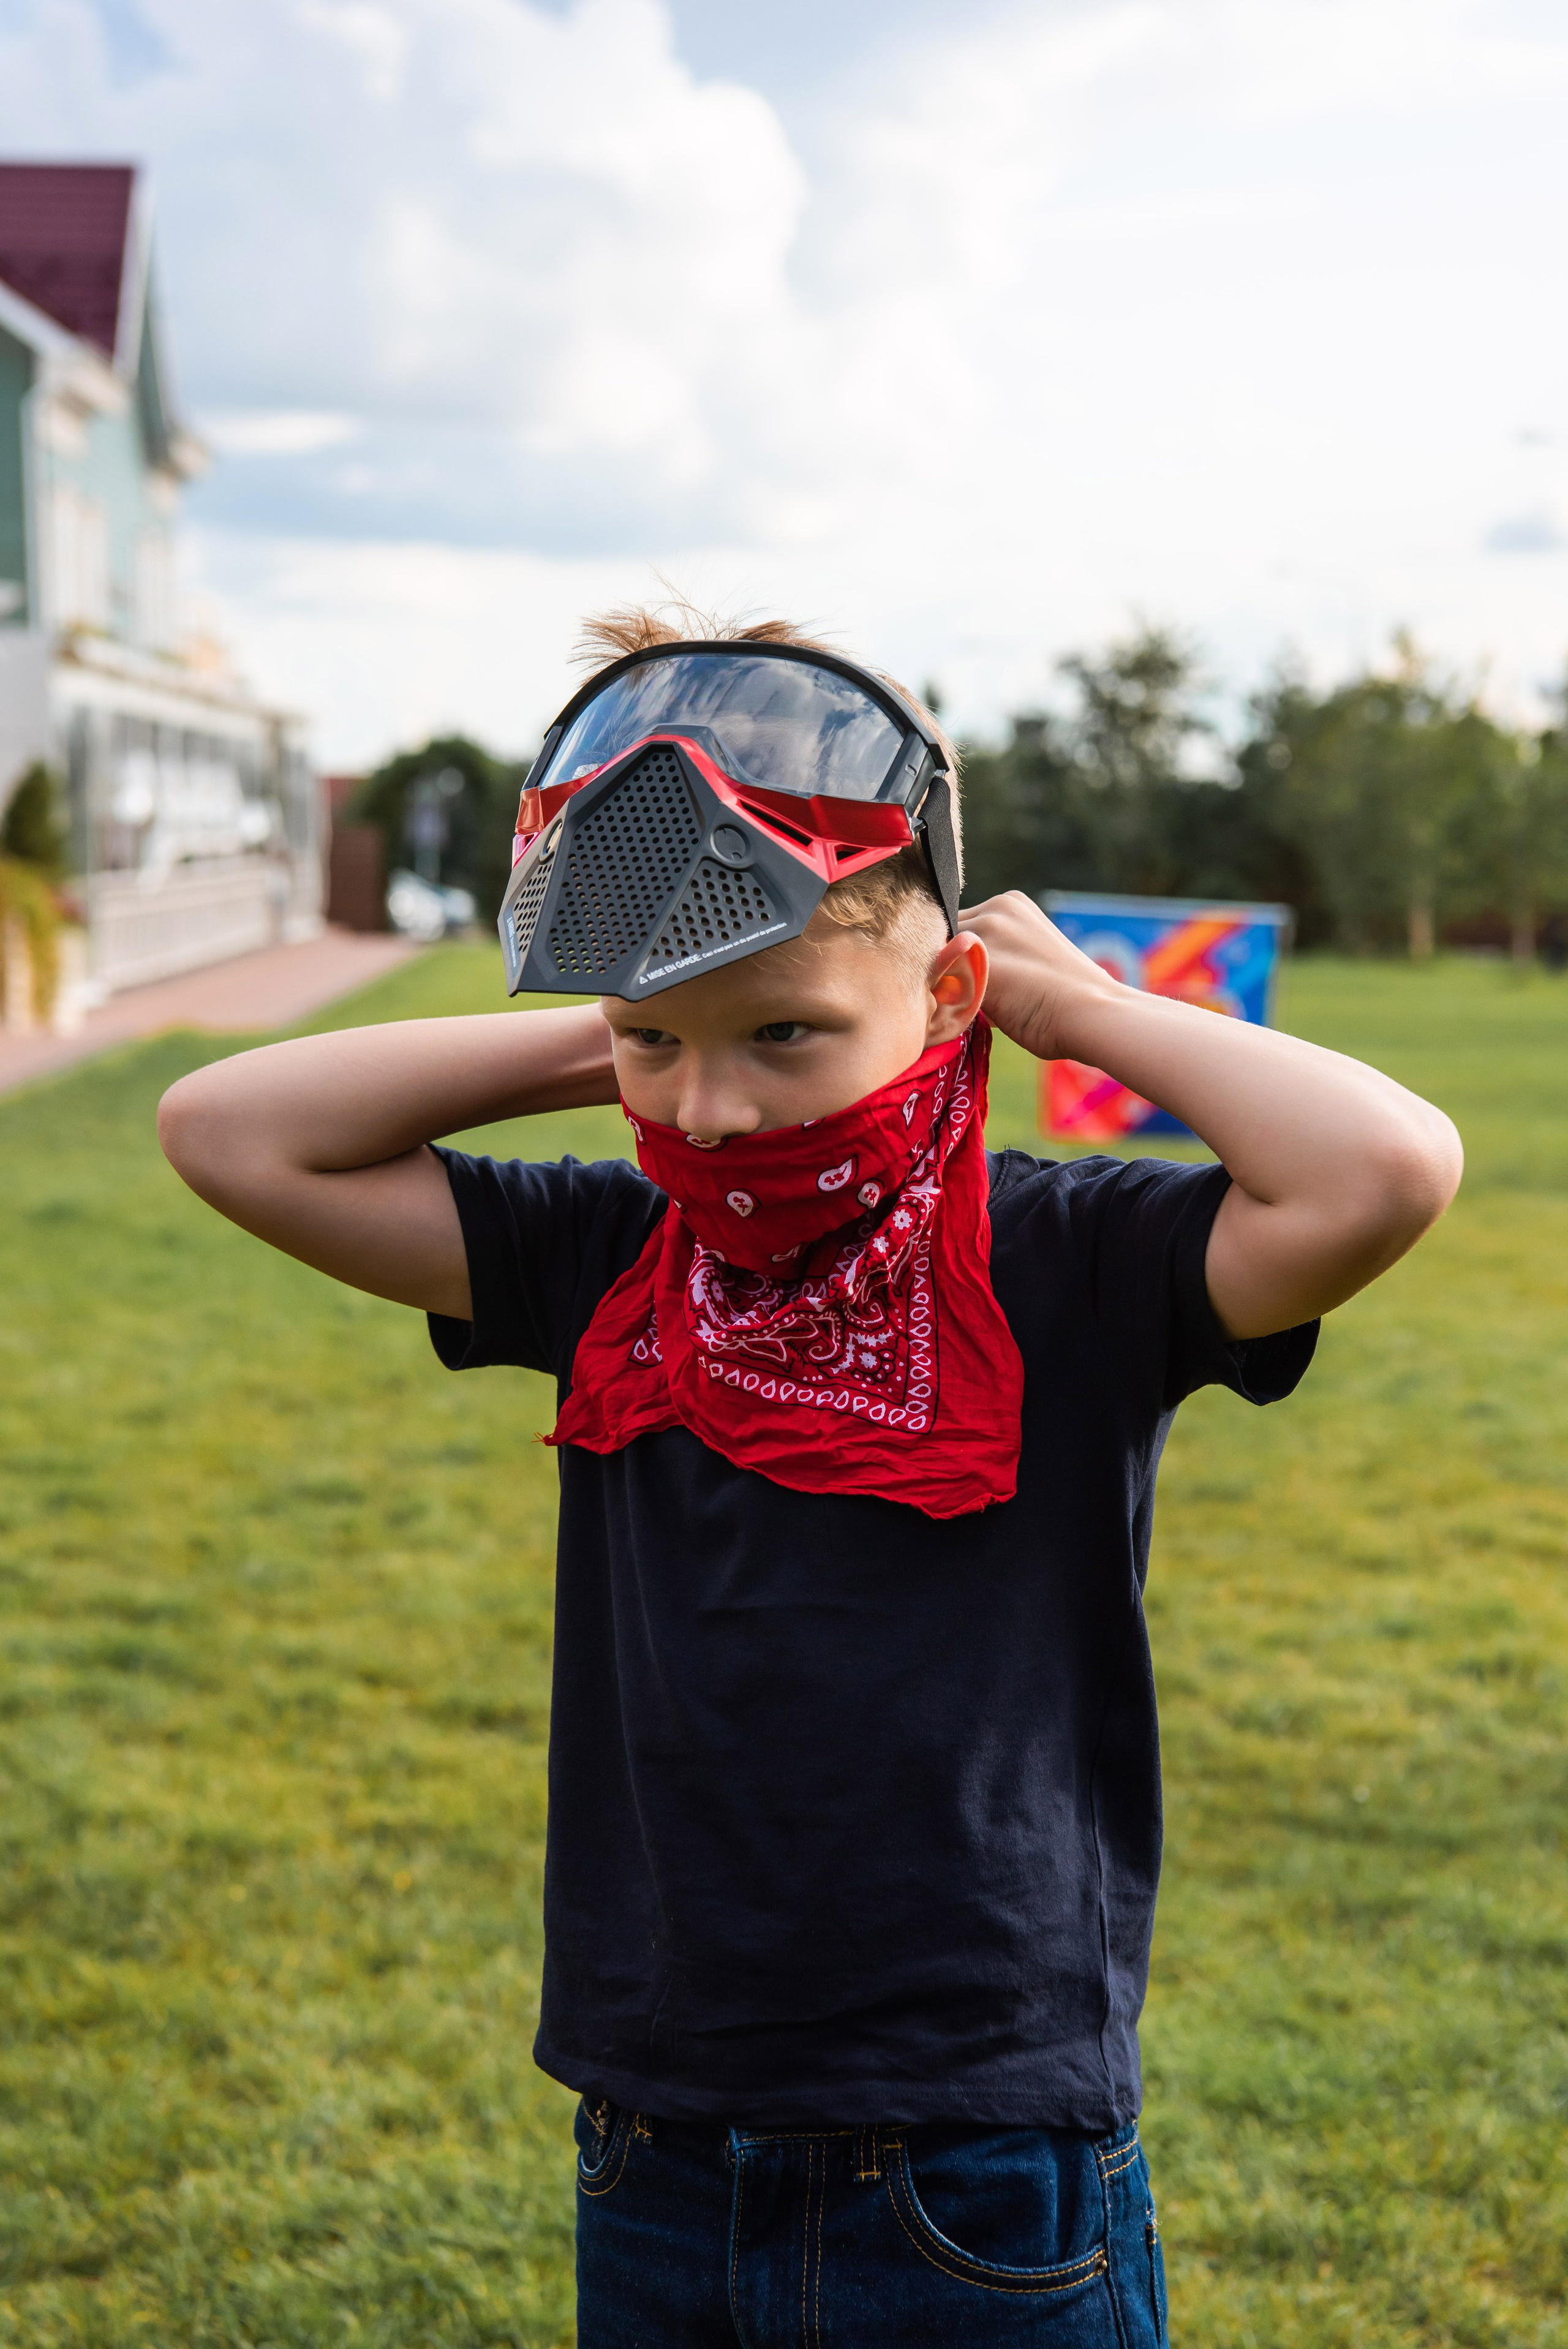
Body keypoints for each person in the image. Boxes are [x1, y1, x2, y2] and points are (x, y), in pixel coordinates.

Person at [158, 608, 1462, 2348]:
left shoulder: (1072, 1260)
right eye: (652, 1047)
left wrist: (1078, 1009)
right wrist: (650, 1018)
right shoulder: (611, 1254)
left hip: (983, 2149)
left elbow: (1386, 1168)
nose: (707, 1113)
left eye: (786, 1036)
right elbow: (226, 1130)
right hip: (658, 2135)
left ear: (948, 996)